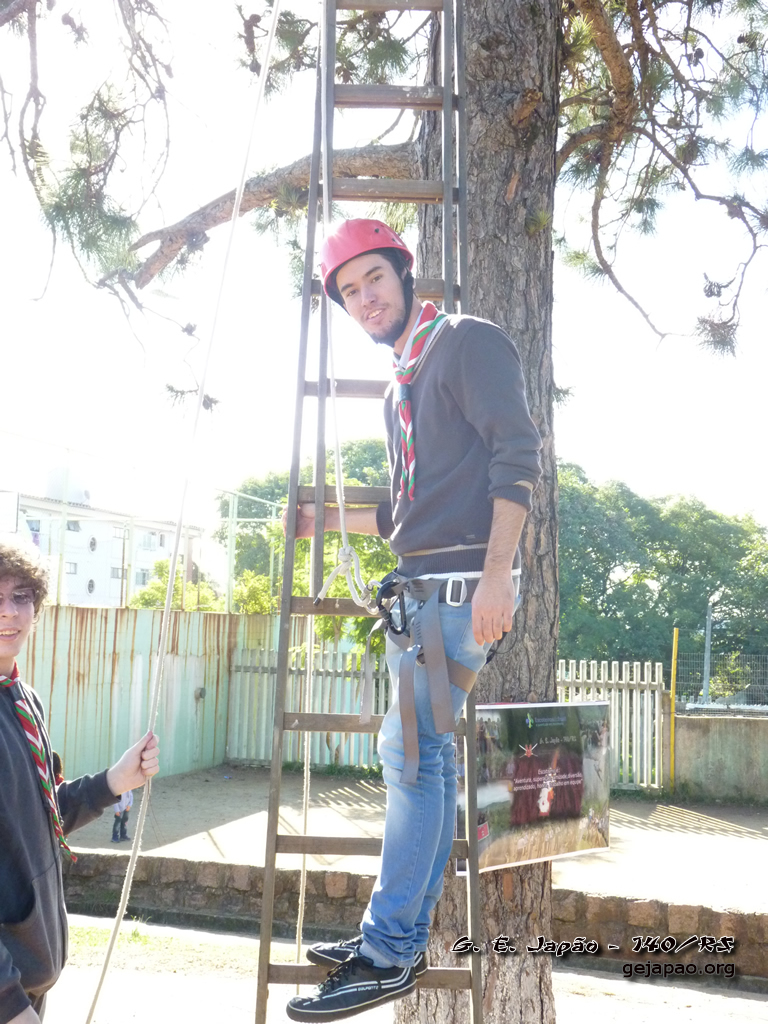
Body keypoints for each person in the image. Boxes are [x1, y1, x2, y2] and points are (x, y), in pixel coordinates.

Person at [285, 219, 542, 1022]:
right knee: (422, 759)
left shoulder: (463, 342)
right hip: (426, 588)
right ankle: (396, 937)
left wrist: (497, 577)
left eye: (374, 278)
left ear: (403, 272)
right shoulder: (404, 381)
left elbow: (517, 454)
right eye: (349, 291)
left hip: (462, 588)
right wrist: (326, 523)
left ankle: (389, 950)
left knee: (408, 756)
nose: (366, 298)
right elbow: (408, 512)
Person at [0, 542, 160, 1024]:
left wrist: (114, 780)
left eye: (21, 596)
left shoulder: (24, 700)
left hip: (31, 979)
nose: (9, 612)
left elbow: (42, 817)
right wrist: (9, 1003)